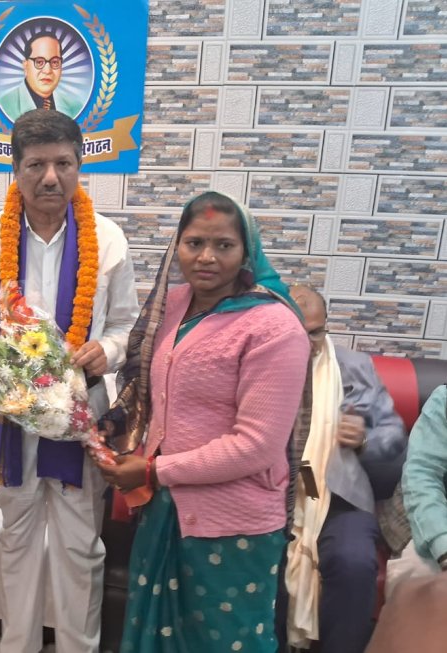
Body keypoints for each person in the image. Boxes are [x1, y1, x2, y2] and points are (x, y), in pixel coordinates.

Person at [0, 109, 139, 653]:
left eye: (63, 163)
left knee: (80, 547)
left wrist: (106, 350)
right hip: (8, 420)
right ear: (15, 169)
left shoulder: (108, 240)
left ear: (80, 166)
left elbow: (126, 326)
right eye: (35, 165)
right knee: (17, 540)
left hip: (81, 418)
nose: (50, 177)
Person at [93, 191, 310, 653]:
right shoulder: (172, 305)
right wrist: (112, 430)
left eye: (223, 245)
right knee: (157, 637)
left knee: (227, 642)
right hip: (165, 511)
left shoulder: (274, 327)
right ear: (178, 246)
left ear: (246, 250)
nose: (207, 257)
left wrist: (154, 470)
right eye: (194, 243)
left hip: (234, 522)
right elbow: (148, 390)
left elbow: (257, 446)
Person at [279, 285, 407, 653]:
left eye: (316, 332)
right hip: (273, 495)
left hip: (340, 497)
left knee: (353, 562)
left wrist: (363, 440)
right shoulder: (259, 363)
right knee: (264, 558)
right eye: (297, 333)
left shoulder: (354, 366)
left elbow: (393, 435)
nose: (308, 343)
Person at [398, 384, 447, 580]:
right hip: (432, 516)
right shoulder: (444, 400)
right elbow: (423, 474)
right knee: (420, 579)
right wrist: (443, 546)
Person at [0, 34, 81, 120]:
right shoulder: (3, 106)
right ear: (26, 66)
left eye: (55, 62)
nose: (47, 71)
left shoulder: (75, 107)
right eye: (39, 62)